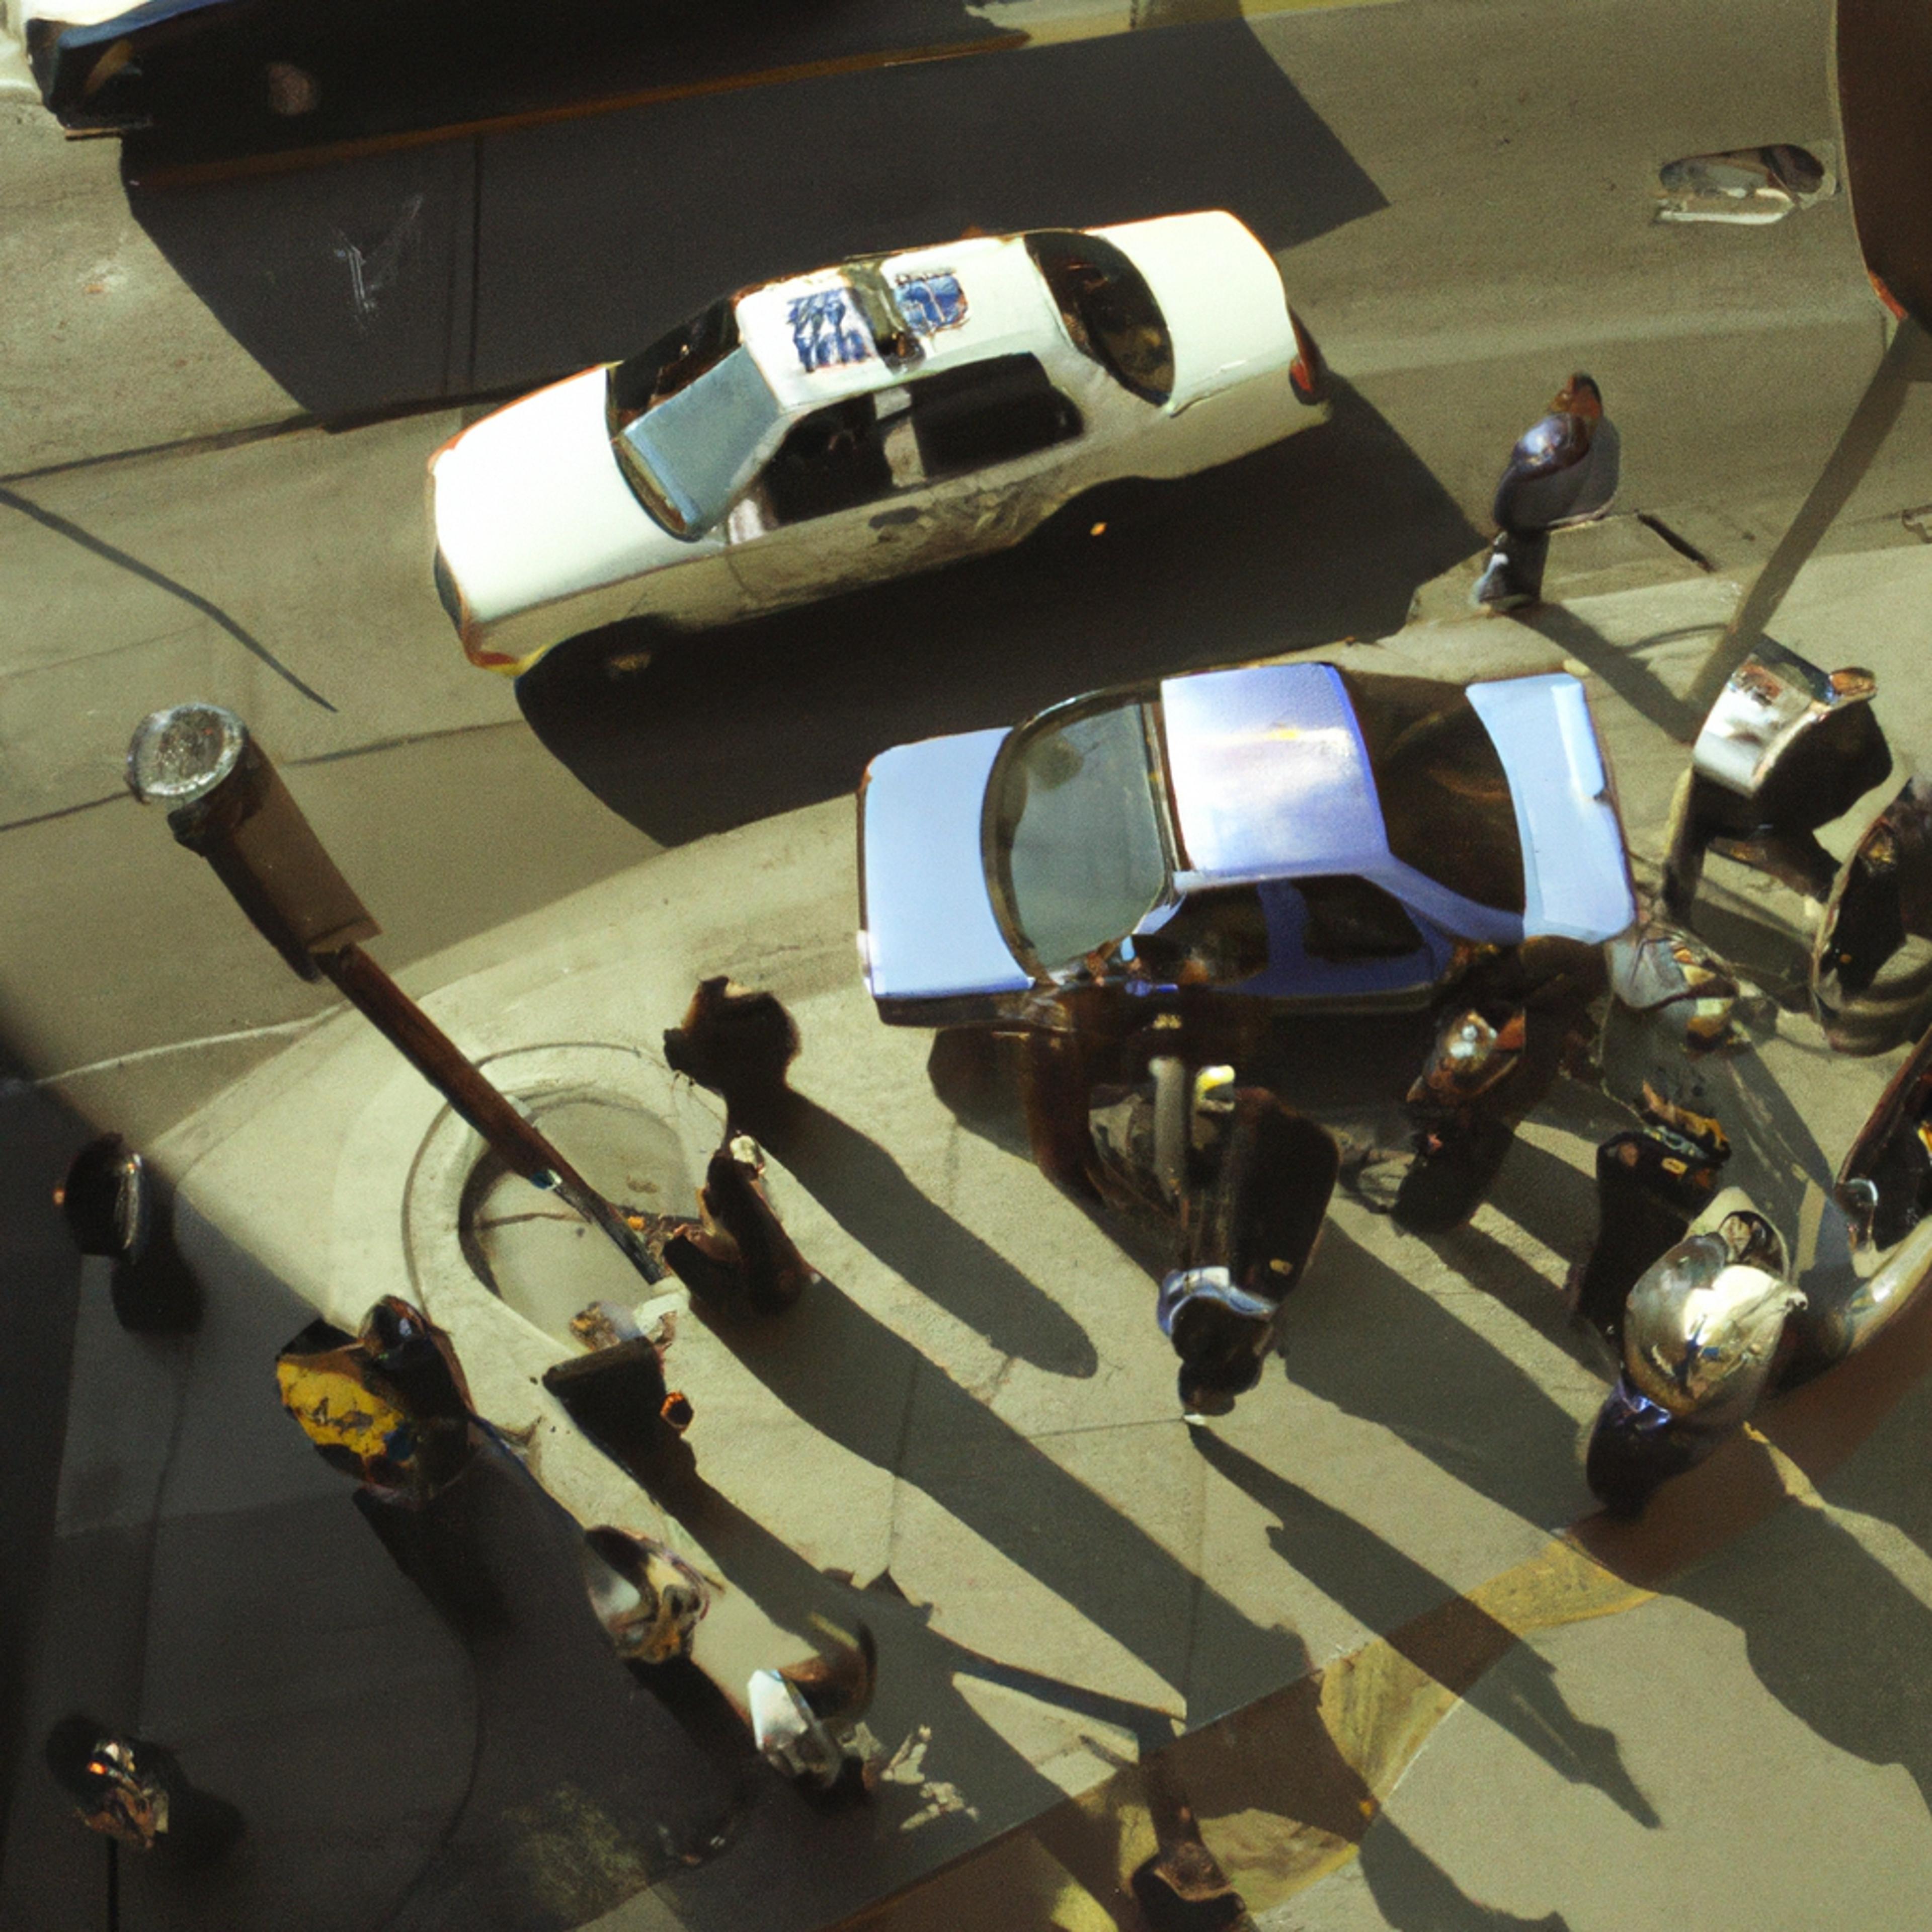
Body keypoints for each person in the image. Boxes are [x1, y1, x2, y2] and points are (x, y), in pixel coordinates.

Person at [1472, 373, 1620, 611]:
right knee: (1521, 520)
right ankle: (1509, 578)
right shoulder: (1561, 432)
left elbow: (1594, 483)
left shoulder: (1593, 439)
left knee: (1525, 524)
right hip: (1543, 506)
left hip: (1558, 509)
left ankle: (1510, 582)